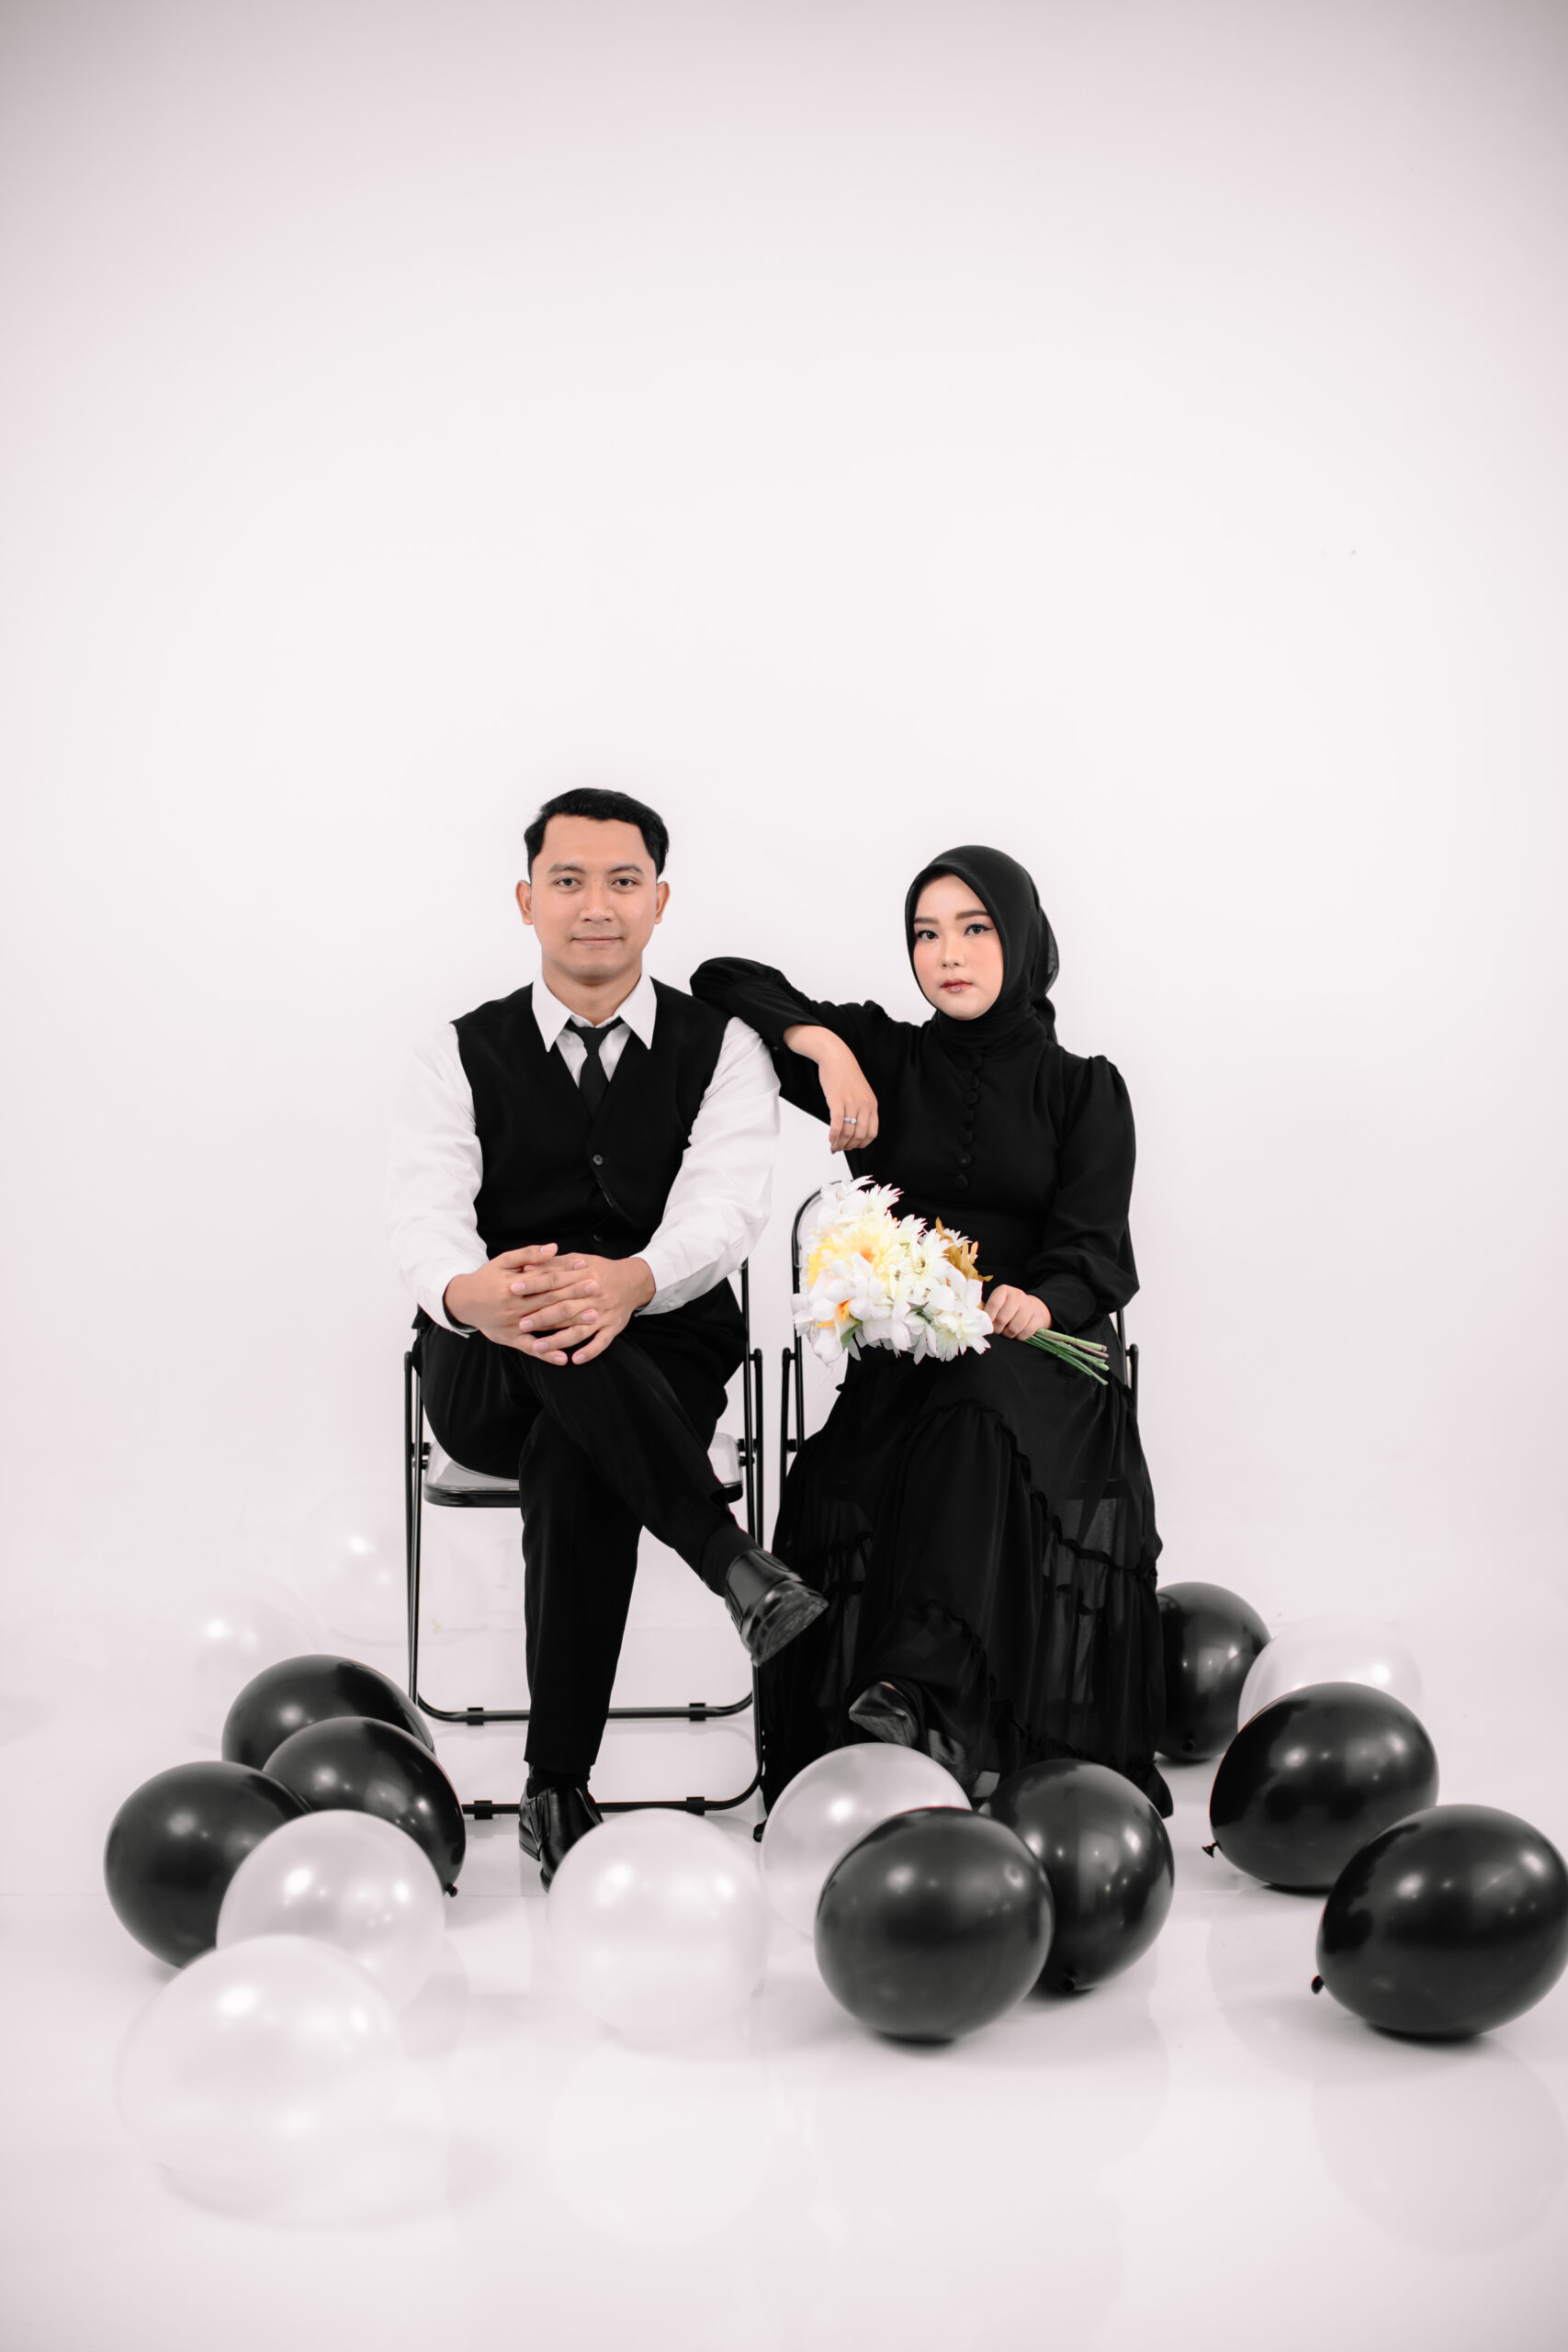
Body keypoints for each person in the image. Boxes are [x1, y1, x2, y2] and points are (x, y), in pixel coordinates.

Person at [387, 787, 827, 1885]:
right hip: (490, 1357)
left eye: (623, 882)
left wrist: (631, 1281)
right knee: (557, 1355)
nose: (596, 905)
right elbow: (425, 1211)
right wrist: (471, 1292)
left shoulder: (723, 1049)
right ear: (526, 898)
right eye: (570, 881)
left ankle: (555, 1788)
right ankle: (732, 1563)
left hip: (664, 1346)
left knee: (575, 1442)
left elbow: (724, 1209)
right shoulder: (458, 1050)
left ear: (658, 901)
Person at [691, 843, 1170, 1815]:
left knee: (977, 1407)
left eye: (974, 928)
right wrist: (826, 1049)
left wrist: (1043, 1300)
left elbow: (1094, 1246)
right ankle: (900, 1712)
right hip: (905, 1367)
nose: (947, 953)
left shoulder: (1083, 1088)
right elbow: (718, 981)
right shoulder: (887, 1057)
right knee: (857, 1461)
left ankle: (917, 1696)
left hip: (1038, 1363)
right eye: (926, 933)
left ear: (1022, 939)